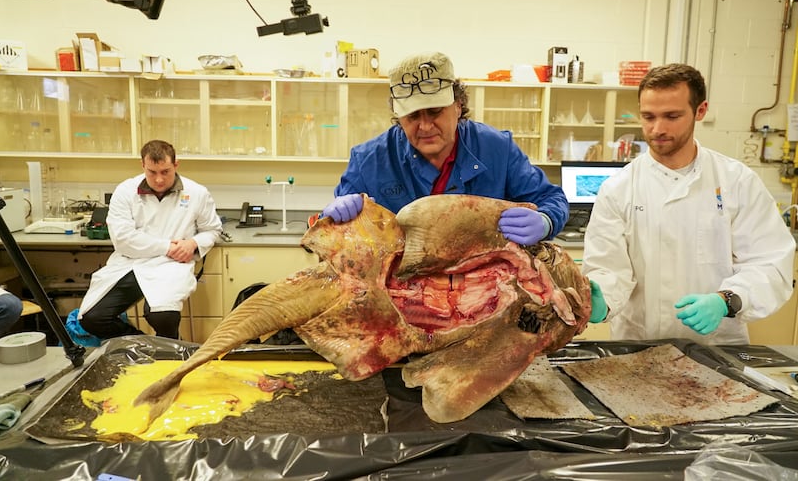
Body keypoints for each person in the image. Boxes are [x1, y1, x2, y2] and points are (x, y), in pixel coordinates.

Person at [582, 63, 795, 344]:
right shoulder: (618, 189)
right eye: (648, 116)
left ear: (700, 110)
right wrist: (599, 301)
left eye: (672, 116)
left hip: (718, 347)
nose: (657, 129)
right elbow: (609, 269)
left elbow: (770, 263)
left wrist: (725, 300)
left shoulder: (737, 181)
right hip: (637, 347)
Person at [321, 51, 569, 247]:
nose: (425, 125)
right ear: (398, 116)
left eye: (435, 111)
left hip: (483, 288)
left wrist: (546, 221)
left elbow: (552, 198)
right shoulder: (369, 161)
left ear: (458, 106)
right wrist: (334, 217)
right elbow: (334, 235)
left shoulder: (497, 150)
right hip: (403, 292)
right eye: (413, 116)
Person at [78, 140, 222, 340]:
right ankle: (145, 346)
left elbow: (212, 229)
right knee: (92, 319)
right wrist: (166, 247)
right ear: (142, 166)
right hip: (131, 263)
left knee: (162, 316)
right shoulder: (125, 191)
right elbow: (123, 239)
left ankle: (170, 353)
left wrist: (192, 243)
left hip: (171, 266)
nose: (159, 179)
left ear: (176, 165)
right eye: (152, 172)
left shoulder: (197, 193)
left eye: (165, 171)